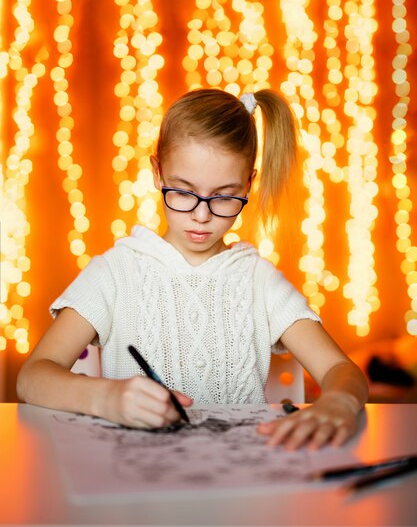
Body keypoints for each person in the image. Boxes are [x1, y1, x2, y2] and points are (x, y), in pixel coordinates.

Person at [17, 88, 368, 450]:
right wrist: (107, 398)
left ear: (249, 183)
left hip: (239, 479)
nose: (202, 216)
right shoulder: (115, 272)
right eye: (183, 192)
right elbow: (33, 376)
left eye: (224, 196)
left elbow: (341, 371)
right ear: (158, 172)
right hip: (138, 483)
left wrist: (339, 401)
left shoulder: (257, 281)